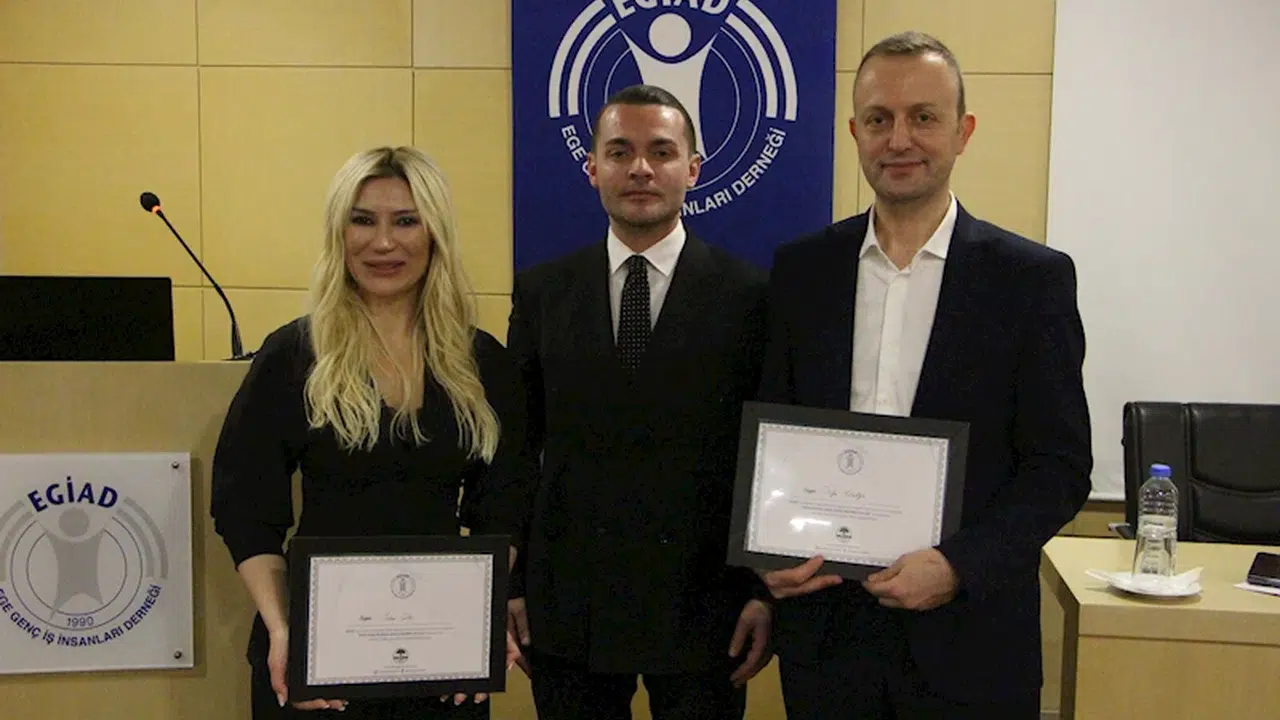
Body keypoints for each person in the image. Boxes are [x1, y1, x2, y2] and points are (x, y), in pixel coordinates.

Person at [756, 32, 1093, 719]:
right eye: (879, 119)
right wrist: (766, 551)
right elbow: (769, 432)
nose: (899, 139)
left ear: (963, 132)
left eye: (924, 117)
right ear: (856, 132)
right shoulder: (801, 271)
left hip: (971, 643)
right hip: (828, 641)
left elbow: (1059, 467)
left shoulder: (1031, 281)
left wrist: (959, 566)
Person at [210, 146, 531, 720]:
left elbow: (506, 506)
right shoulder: (293, 355)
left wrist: (480, 617)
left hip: (442, 656)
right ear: (340, 232)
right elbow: (244, 509)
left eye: (406, 221)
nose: (383, 243)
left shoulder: (483, 362)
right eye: (363, 220)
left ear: (435, 233)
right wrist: (284, 630)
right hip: (316, 654)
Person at [505, 84, 773, 720]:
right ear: (592, 167)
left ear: (693, 168)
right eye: (620, 151)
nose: (641, 168)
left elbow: (768, 456)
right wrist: (510, 581)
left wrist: (764, 590)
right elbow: (517, 447)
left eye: (662, 151)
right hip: (569, 606)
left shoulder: (750, 297)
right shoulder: (543, 292)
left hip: (705, 605)